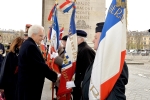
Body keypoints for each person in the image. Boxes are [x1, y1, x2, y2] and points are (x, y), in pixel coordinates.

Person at [81, 22, 129, 100]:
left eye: (96, 38)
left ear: (104, 39)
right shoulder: (100, 58)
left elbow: (115, 95)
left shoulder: (114, 62)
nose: (93, 40)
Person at [15, 25, 59, 100]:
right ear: (33, 35)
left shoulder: (27, 44)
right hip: (30, 87)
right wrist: (55, 76)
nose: (42, 38)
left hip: (27, 85)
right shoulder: (30, 46)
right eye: (41, 36)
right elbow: (40, 66)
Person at [66, 30, 96, 100]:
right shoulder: (80, 49)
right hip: (77, 84)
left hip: (81, 85)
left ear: (82, 39)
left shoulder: (86, 50)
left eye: (75, 38)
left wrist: (76, 83)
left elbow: (87, 71)